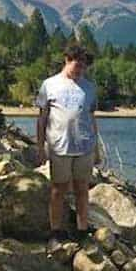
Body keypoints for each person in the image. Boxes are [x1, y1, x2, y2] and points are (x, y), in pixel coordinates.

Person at [35, 44, 101, 248]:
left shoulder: (89, 88)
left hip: (85, 146)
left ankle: (82, 230)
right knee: (58, 190)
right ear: (67, 60)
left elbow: (91, 117)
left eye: (83, 66)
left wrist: (97, 147)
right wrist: (40, 146)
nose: (79, 69)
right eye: (76, 64)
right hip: (59, 146)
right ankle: (56, 231)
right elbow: (42, 118)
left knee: (82, 189)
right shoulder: (50, 84)